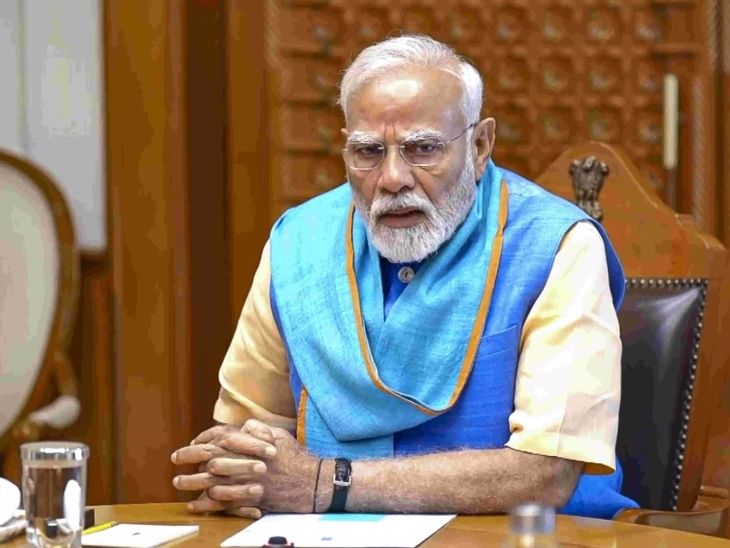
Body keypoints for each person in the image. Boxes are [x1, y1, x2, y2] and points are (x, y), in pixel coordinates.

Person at [170, 34, 639, 519]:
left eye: (422, 148)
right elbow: (246, 435)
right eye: (368, 152)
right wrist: (237, 468)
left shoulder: (557, 245)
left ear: (480, 146)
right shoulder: (299, 245)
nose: (392, 178)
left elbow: (546, 473)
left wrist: (325, 483)